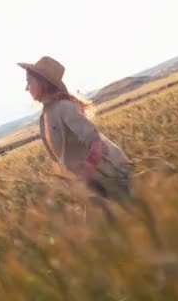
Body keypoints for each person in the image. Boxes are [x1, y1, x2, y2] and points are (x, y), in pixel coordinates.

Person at [17, 56, 134, 201]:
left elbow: (95, 140)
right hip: (95, 181)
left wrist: (89, 166)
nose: (26, 88)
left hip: (111, 173)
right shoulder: (47, 114)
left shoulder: (63, 108)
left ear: (42, 82)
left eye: (29, 81)